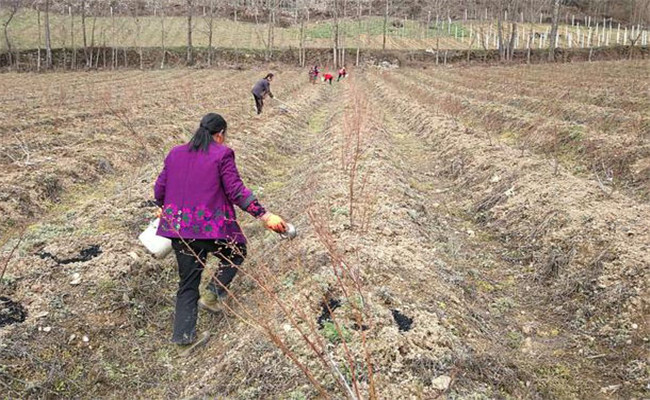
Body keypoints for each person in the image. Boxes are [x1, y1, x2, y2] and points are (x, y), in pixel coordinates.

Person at [154, 113, 287, 355]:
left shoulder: (175, 153)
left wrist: (165, 207)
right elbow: (236, 190)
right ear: (220, 134)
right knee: (237, 252)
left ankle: (184, 340)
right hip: (210, 227)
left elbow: (159, 190)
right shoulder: (222, 154)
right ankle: (213, 294)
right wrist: (264, 215)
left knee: (187, 283)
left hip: (179, 229)